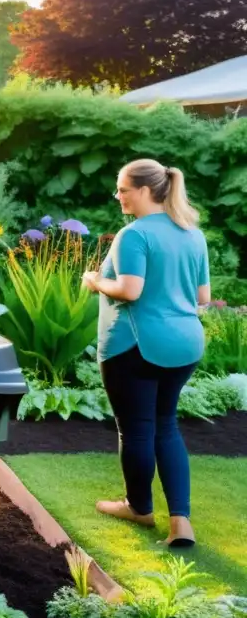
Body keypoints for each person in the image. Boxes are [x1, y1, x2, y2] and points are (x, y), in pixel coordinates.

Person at [82, 159, 209, 549]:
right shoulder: (192, 234)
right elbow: (203, 298)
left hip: (134, 346)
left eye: (122, 189)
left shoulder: (133, 235)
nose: (117, 195)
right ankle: (180, 522)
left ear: (143, 191)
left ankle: (139, 508)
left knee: (135, 429)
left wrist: (95, 281)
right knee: (165, 425)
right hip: (185, 344)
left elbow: (130, 290)